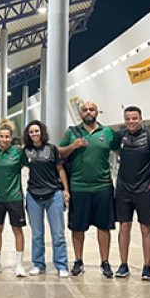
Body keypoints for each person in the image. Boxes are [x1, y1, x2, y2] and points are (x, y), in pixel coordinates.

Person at [58, 101, 120, 277]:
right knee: (77, 227)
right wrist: (73, 146)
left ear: (97, 112)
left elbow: (120, 152)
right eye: (85, 110)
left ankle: (105, 262)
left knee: (104, 227)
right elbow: (59, 152)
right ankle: (78, 261)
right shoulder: (71, 132)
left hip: (103, 187)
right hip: (79, 187)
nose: (88, 112)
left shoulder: (108, 133)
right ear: (81, 113)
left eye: (91, 109)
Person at [114, 106, 150, 280]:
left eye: (134, 118)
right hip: (124, 188)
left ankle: (147, 267)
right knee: (124, 227)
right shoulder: (120, 135)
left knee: (145, 228)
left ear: (141, 119)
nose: (131, 122)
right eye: (128, 119)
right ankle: (123, 264)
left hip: (145, 189)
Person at [24, 120, 70, 278]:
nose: (34, 134)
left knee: (58, 233)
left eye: (37, 131)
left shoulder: (52, 149)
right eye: (31, 132)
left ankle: (62, 265)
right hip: (33, 196)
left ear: (42, 132)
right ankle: (38, 264)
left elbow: (60, 169)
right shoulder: (26, 151)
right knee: (37, 234)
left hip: (53, 195)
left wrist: (66, 190)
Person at [0, 120, 27, 277]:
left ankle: (19, 265)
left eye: (7, 137)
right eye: (1, 136)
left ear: (11, 138)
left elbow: (29, 164)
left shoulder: (18, 153)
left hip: (15, 197)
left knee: (17, 229)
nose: (4, 139)